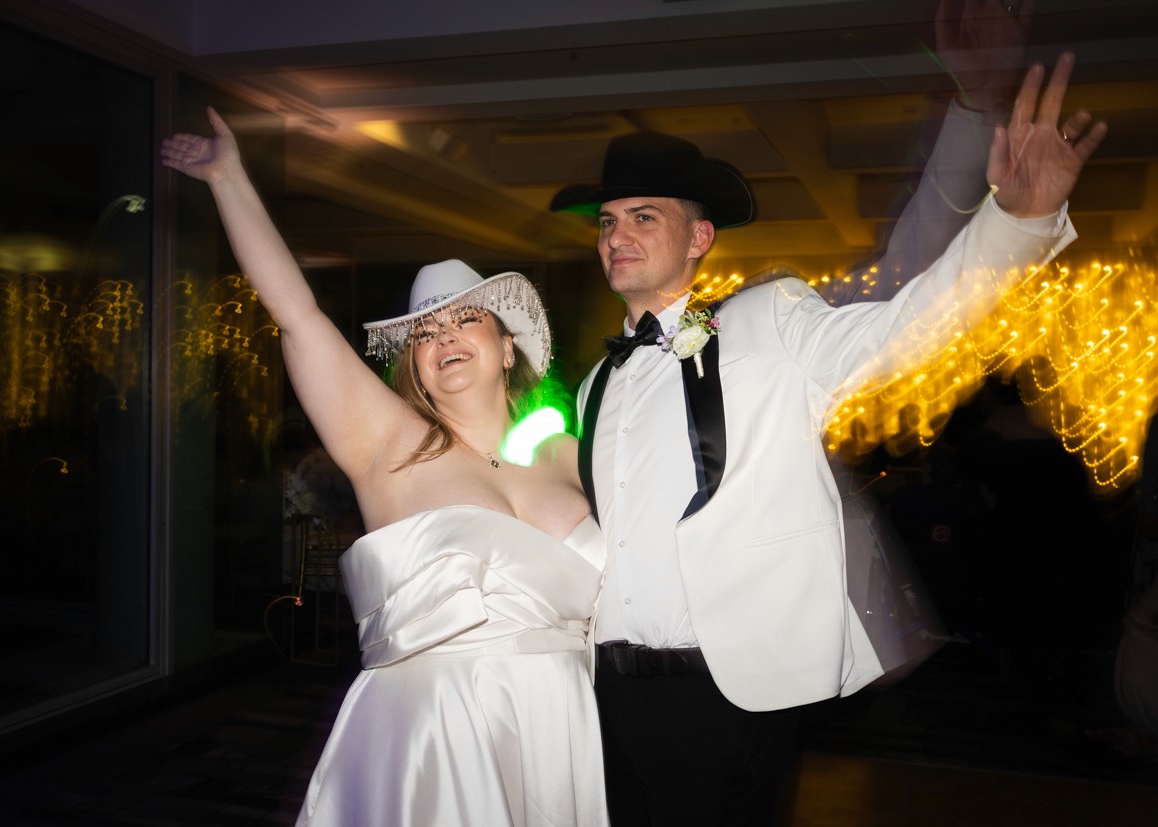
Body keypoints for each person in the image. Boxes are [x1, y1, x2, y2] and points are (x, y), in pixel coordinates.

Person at [550, 50, 1105, 825]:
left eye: (645, 217)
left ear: (700, 236)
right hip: (605, 695)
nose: (618, 235)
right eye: (609, 221)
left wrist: (1015, 223)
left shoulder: (768, 320)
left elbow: (907, 330)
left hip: (728, 685)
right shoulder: (593, 384)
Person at [162, 114, 608, 825]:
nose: (444, 338)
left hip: (560, 717)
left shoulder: (571, 453)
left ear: (505, 349)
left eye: (465, 321)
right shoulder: (391, 446)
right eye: (426, 334)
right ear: (418, 371)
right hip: (438, 728)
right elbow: (298, 313)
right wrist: (229, 177)